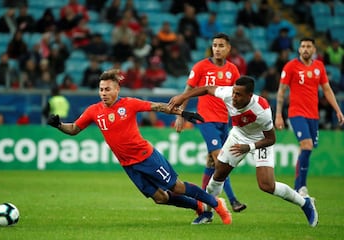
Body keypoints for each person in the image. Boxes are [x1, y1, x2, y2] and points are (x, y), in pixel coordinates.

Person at [46, 68, 232, 225]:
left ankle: (216, 203)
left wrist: (183, 113)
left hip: (146, 157)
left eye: (107, 89)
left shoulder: (129, 104)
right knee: (160, 198)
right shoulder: (93, 111)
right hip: (128, 164)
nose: (103, 93)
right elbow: (74, 129)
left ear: (117, 89)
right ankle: (198, 206)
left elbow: (157, 106)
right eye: (101, 89)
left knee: (176, 187)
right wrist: (59, 125)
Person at [168, 75, 319, 227]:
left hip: (260, 141)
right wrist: (183, 97)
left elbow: (271, 139)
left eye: (238, 94)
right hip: (238, 136)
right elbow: (206, 89)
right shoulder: (228, 93)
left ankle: (304, 202)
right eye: (234, 92)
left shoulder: (262, 110)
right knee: (219, 173)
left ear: (249, 95)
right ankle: (207, 212)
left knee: (266, 185)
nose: (234, 97)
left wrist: (250, 147)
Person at [173, 33, 246, 220]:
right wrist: (181, 114)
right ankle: (232, 200)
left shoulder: (233, 70)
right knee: (221, 159)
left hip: (224, 121)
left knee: (212, 164)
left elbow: (239, 96)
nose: (217, 48)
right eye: (215, 45)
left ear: (228, 49)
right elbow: (188, 91)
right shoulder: (201, 67)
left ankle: (205, 211)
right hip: (205, 119)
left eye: (221, 45)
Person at [275, 37, 344, 196]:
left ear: (314, 50)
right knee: (307, 145)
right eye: (303, 46)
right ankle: (301, 187)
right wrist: (278, 114)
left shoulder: (319, 67)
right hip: (296, 114)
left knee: (306, 149)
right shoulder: (291, 66)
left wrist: (338, 110)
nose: (305, 49)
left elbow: (327, 90)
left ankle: (297, 184)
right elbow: (281, 91)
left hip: (313, 115)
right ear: (299, 49)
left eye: (309, 46)